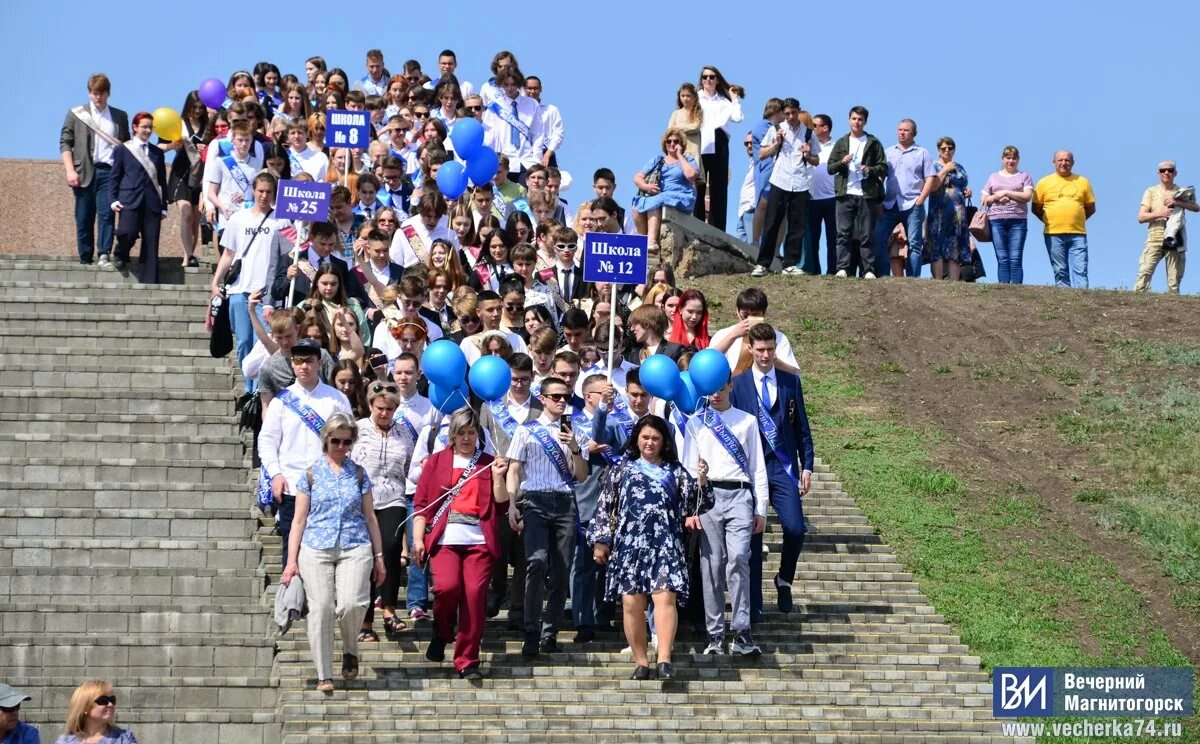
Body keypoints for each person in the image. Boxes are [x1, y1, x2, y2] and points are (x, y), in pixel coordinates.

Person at [589, 414, 708, 680]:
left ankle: (664, 658)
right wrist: (600, 540)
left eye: (655, 438)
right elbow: (605, 505)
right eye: (645, 437)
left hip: (665, 543)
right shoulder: (621, 468)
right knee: (631, 604)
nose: (650, 442)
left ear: (664, 441)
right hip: (629, 545)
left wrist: (701, 481)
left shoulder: (675, 471)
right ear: (637, 439)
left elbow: (698, 504)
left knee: (665, 598)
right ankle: (640, 661)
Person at [281, 414, 386, 692]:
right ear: (326, 440)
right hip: (316, 546)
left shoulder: (360, 473)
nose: (340, 446)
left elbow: (370, 517)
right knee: (322, 608)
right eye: (335, 441)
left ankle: (350, 647)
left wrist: (379, 557)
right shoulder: (311, 473)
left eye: (346, 441)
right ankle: (324, 673)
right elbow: (299, 520)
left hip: (355, 543)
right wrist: (291, 562)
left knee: (352, 603)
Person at [413, 407, 510, 679]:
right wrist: (418, 539)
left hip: (479, 541)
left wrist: (499, 477)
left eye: (471, 432)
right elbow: (421, 505)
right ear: (452, 435)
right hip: (446, 538)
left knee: (474, 597)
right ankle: (442, 632)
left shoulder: (489, 461)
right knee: (445, 588)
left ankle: (467, 660)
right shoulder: (435, 462)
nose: (467, 438)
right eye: (461, 433)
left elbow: (501, 505)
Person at [730, 323, 814, 617]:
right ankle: (753, 606)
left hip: (782, 466)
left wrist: (808, 466)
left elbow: (802, 428)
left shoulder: (790, 382)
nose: (765, 355)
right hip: (751, 469)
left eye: (770, 349)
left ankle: (784, 579)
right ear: (750, 349)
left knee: (795, 528)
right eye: (760, 349)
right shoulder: (737, 384)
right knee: (753, 536)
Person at [683, 377, 769, 656]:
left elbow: (757, 467)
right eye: (711, 389)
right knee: (711, 565)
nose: (716, 394)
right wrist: (690, 508)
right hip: (708, 497)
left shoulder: (747, 421)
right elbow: (687, 469)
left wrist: (761, 508)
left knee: (739, 559)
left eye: (720, 387)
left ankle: (742, 630)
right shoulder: (696, 422)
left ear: (730, 386)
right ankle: (715, 635)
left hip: (740, 495)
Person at [505, 376, 588, 657]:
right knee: (536, 563)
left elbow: (582, 475)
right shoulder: (526, 431)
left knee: (561, 570)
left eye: (565, 396)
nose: (561, 401)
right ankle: (531, 629)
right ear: (542, 398)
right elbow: (514, 470)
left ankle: (549, 632)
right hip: (536, 501)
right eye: (555, 396)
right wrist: (513, 504)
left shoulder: (574, 430)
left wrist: (575, 447)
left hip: (564, 502)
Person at [259, 339, 353, 570]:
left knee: (327, 549)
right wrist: (276, 474)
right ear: (292, 364)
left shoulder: (336, 399)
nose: (304, 366)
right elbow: (267, 441)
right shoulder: (281, 401)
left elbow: (351, 441)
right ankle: (292, 604)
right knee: (291, 548)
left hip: (328, 486)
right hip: (291, 485)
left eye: (309, 361)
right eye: (298, 361)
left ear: (319, 363)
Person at [210, 173, 289, 388]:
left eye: (268, 192)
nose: (264, 195)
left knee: (262, 342)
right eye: (260, 191)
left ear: (274, 194)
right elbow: (228, 253)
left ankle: (259, 389)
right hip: (239, 289)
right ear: (253, 191)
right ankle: (248, 387)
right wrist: (216, 281)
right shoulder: (238, 218)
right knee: (244, 341)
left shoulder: (281, 220)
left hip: (266, 292)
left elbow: (288, 253)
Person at [61, 73, 130, 267]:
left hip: (109, 172)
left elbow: (125, 146)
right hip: (84, 171)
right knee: (84, 217)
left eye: (101, 93)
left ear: (108, 93)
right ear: (89, 93)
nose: (98, 97)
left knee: (106, 214)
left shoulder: (119, 116)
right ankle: (85, 256)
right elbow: (65, 143)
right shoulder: (76, 114)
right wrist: (69, 170)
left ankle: (104, 254)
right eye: (94, 93)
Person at [752, 98, 817, 277]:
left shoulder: (809, 134)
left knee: (797, 226)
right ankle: (762, 263)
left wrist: (808, 154)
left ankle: (790, 263)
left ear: (798, 111)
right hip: (779, 180)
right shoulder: (775, 129)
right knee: (771, 222)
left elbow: (816, 160)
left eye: (793, 113)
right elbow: (762, 154)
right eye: (787, 113)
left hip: (800, 183)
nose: (790, 116)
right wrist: (776, 143)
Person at [827, 106, 888, 279]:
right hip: (844, 193)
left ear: (865, 122)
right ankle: (843, 268)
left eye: (860, 119)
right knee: (843, 233)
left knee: (866, 234)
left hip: (867, 194)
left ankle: (868, 269)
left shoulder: (873, 142)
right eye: (854, 119)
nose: (857, 122)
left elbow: (883, 167)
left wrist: (870, 169)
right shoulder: (841, 142)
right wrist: (842, 162)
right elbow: (830, 168)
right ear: (849, 120)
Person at [873, 119, 937, 278]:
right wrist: (879, 199)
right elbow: (881, 177)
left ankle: (913, 278)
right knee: (878, 238)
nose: (902, 132)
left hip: (912, 204)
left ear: (914, 133)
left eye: (906, 130)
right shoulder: (888, 152)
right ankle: (882, 275)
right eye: (900, 129)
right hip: (890, 204)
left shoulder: (922, 152)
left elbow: (930, 178)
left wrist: (921, 199)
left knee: (914, 244)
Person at [109, 112, 168, 282]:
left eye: (150, 127)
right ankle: (120, 253)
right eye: (145, 127)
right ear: (135, 128)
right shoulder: (123, 149)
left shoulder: (157, 153)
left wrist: (164, 206)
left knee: (151, 242)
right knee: (127, 232)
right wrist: (113, 200)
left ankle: (149, 281)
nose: (148, 130)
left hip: (152, 202)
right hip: (129, 199)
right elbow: (115, 177)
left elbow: (161, 181)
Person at [1033, 150, 1097, 288]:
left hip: (1078, 233)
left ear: (1072, 163)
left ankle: (1082, 299)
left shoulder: (1083, 181)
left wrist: (1075, 219)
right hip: (1053, 233)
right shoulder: (1044, 182)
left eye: (1067, 160)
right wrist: (1050, 220)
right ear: (1054, 162)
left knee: (1080, 269)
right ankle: (1065, 300)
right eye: (1060, 160)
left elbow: (1091, 208)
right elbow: (1036, 208)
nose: (1063, 163)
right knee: (1060, 270)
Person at [1135, 160, 1196, 294]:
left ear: (1175, 173)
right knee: (1144, 273)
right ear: (1158, 173)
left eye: (1170, 170)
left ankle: (1174, 310)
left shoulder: (1181, 191)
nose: (1166, 172)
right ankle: (1136, 304)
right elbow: (1141, 217)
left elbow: (1196, 207)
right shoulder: (1151, 191)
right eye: (1163, 170)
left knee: (1174, 280)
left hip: (1174, 237)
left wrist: (1178, 202)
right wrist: (1160, 213)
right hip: (1155, 235)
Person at [632, 129, 699, 249]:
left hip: (682, 196)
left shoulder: (688, 160)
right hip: (660, 195)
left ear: (681, 143)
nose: (672, 144)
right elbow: (638, 177)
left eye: (675, 141)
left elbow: (691, 175)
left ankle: (651, 242)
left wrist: (679, 155)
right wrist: (646, 187)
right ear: (665, 143)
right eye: (669, 141)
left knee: (656, 201)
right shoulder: (658, 160)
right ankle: (643, 241)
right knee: (636, 205)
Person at [709, 287, 800, 375]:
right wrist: (733, 336)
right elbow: (709, 362)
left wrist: (775, 360)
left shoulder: (778, 338)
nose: (749, 320)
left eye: (756, 315)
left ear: (764, 313)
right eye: (745, 315)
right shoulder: (724, 334)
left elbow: (794, 372)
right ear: (737, 311)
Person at [695, 66, 743, 231]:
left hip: (720, 140)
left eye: (711, 77)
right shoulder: (696, 98)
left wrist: (734, 98)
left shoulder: (724, 101)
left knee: (719, 187)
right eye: (705, 77)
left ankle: (717, 229)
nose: (708, 80)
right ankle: (697, 224)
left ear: (717, 80)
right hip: (701, 138)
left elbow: (737, 118)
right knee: (699, 184)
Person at [164, 91, 207, 268]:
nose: (197, 111)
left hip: (201, 175)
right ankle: (189, 255)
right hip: (181, 173)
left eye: (200, 107)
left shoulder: (208, 126)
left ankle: (187, 254)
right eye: (194, 107)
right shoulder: (178, 124)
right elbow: (160, 147)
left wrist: (207, 147)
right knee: (186, 212)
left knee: (196, 219)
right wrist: (173, 145)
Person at [981, 146, 1035, 284]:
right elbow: (984, 199)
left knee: (1015, 258)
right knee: (1002, 257)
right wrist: (996, 198)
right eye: (1008, 158)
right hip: (996, 221)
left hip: (1018, 221)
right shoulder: (993, 177)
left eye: (1014, 158)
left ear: (1018, 160)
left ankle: (1017, 288)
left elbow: (1027, 196)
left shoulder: (1024, 176)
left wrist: (1006, 193)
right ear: (1002, 159)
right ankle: (1004, 289)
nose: (1011, 161)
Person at [481, 69, 544, 183]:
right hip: (503, 164)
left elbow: (538, 134)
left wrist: (536, 159)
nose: (509, 88)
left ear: (519, 85)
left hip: (526, 162)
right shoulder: (494, 106)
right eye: (506, 85)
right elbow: (489, 136)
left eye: (513, 85)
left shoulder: (531, 104)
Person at [926, 137, 973, 281]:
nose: (947, 150)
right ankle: (938, 281)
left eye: (950, 148)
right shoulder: (933, 165)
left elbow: (962, 185)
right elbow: (932, 186)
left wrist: (967, 192)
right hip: (938, 211)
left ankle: (954, 282)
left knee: (955, 245)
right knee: (937, 245)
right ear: (938, 150)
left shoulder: (960, 167)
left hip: (958, 213)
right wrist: (945, 170)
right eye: (943, 148)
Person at [53, 680, 135, 744]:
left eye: (112, 700)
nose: (110, 704)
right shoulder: (65, 741)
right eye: (103, 700)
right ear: (85, 707)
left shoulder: (124, 738)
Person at [807, 114, 837, 276]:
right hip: (812, 198)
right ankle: (814, 270)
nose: (811, 128)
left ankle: (832, 271)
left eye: (815, 125)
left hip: (832, 198)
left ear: (825, 128)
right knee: (812, 239)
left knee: (833, 238)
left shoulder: (838, 146)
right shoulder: (809, 144)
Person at [667, 83, 706, 186]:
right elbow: (670, 130)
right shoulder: (676, 113)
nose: (685, 99)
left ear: (694, 97)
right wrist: (681, 128)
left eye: (688, 96)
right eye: (682, 96)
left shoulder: (697, 112)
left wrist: (678, 127)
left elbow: (695, 127)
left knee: (692, 179)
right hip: (678, 150)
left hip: (693, 150)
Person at [523, 76, 563, 167]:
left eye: (535, 88)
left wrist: (547, 155)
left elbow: (558, 135)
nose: (532, 92)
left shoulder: (551, 110)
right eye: (529, 88)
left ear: (541, 89)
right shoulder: (518, 110)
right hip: (524, 155)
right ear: (523, 89)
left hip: (546, 153)